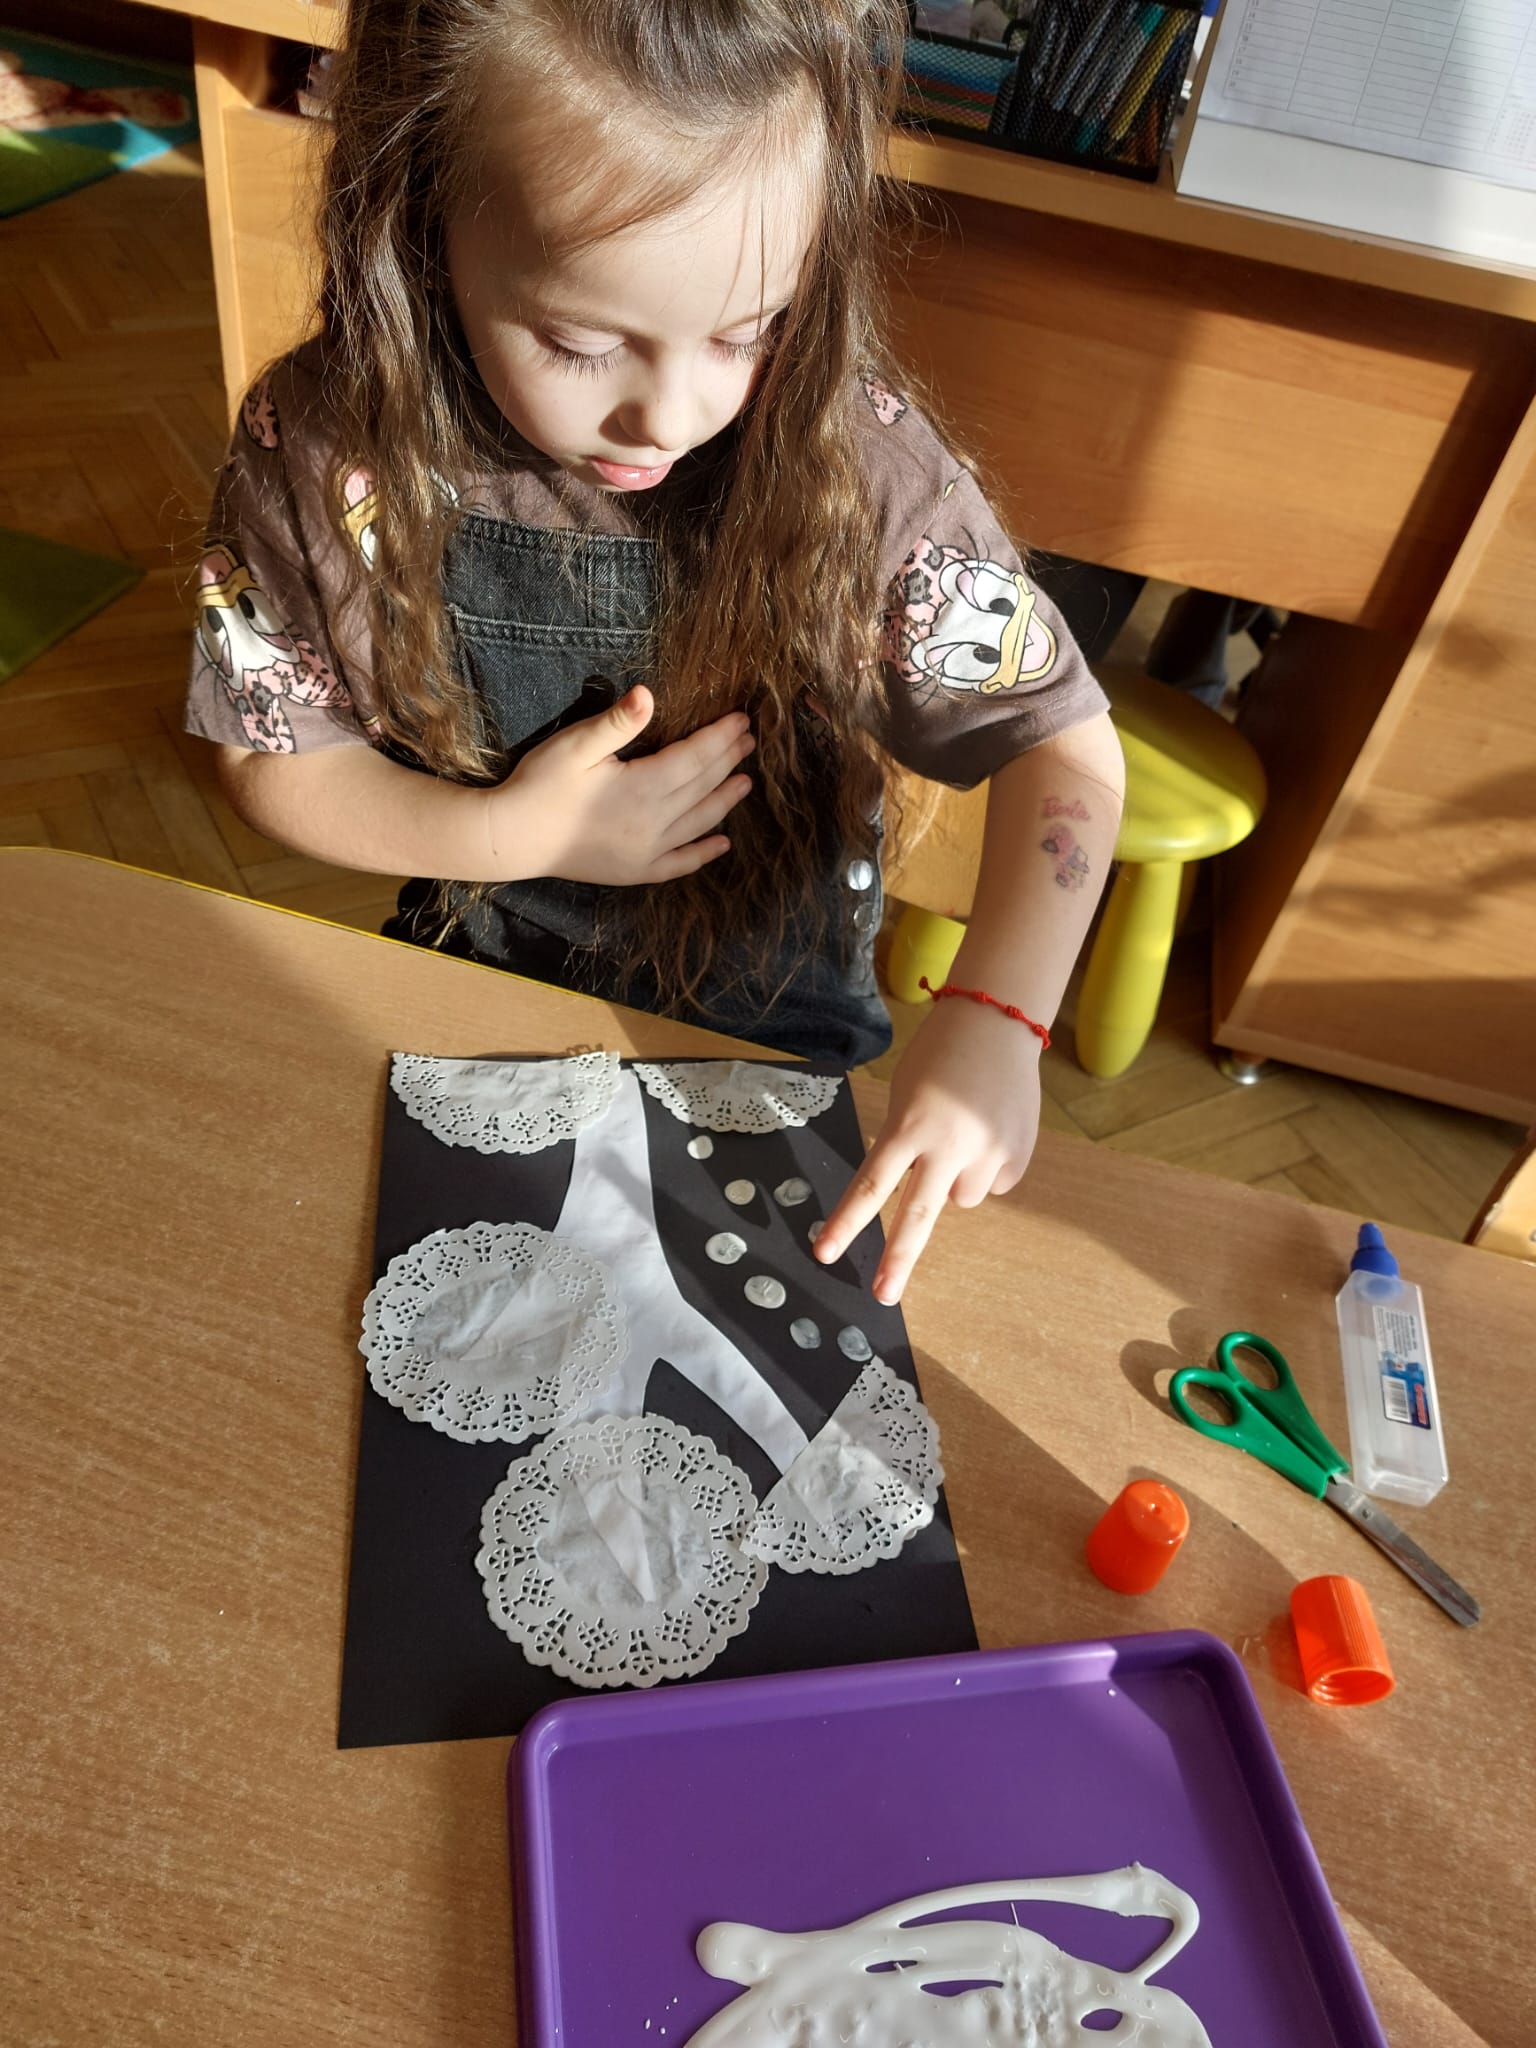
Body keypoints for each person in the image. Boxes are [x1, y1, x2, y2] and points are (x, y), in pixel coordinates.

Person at [184, 0, 1124, 1304]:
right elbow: (274, 759)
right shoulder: (328, 442)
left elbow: (1063, 751)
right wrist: (518, 837)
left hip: (780, 1041)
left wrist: (999, 1015)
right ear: (419, 212)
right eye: (580, 342)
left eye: (748, 331)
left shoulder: (855, 463)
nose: (673, 413)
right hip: (477, 980)